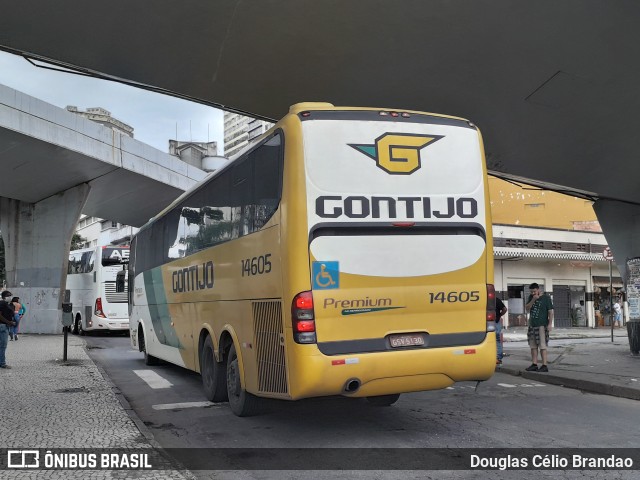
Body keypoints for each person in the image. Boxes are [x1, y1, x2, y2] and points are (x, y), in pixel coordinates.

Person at [525, 283, 553, 372]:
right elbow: (527, 308)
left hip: (542, 325)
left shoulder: (546, 298)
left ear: (538, 289)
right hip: (532, 324)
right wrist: (533, 299)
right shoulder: (531, 297)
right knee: (533, 346)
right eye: (531, 292)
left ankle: (544, 365)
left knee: (542, 346)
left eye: (534, 291)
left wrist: (549, 324)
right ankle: (534, 364)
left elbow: (551, 312)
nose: (533, 293)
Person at [0, 290, 17, 369]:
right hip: (3, 326)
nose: (10, 296)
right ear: (3, 297)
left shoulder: (8, 304)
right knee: (3, 346)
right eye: (8, 295)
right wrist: (9, 322)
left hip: (5, 326)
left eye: (11, 295)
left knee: (2, 346)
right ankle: (2, 363)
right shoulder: (2, 303)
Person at [495, 297, 508, 365]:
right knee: (497, 340)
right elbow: (505, 309)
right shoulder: (496, 299)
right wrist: (499, 315)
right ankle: (498, 358)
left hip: (486, 323)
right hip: (496, 322)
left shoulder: (482, 299)